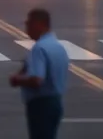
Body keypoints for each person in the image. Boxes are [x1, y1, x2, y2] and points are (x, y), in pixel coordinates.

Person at [9, 8, 68, 139]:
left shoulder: (39, 48)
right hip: (56, 102)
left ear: (39, 24)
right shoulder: (58, 46)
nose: (27, 29)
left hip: (41, 105)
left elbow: (37, 80)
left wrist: (17, 80)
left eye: (29, 24)